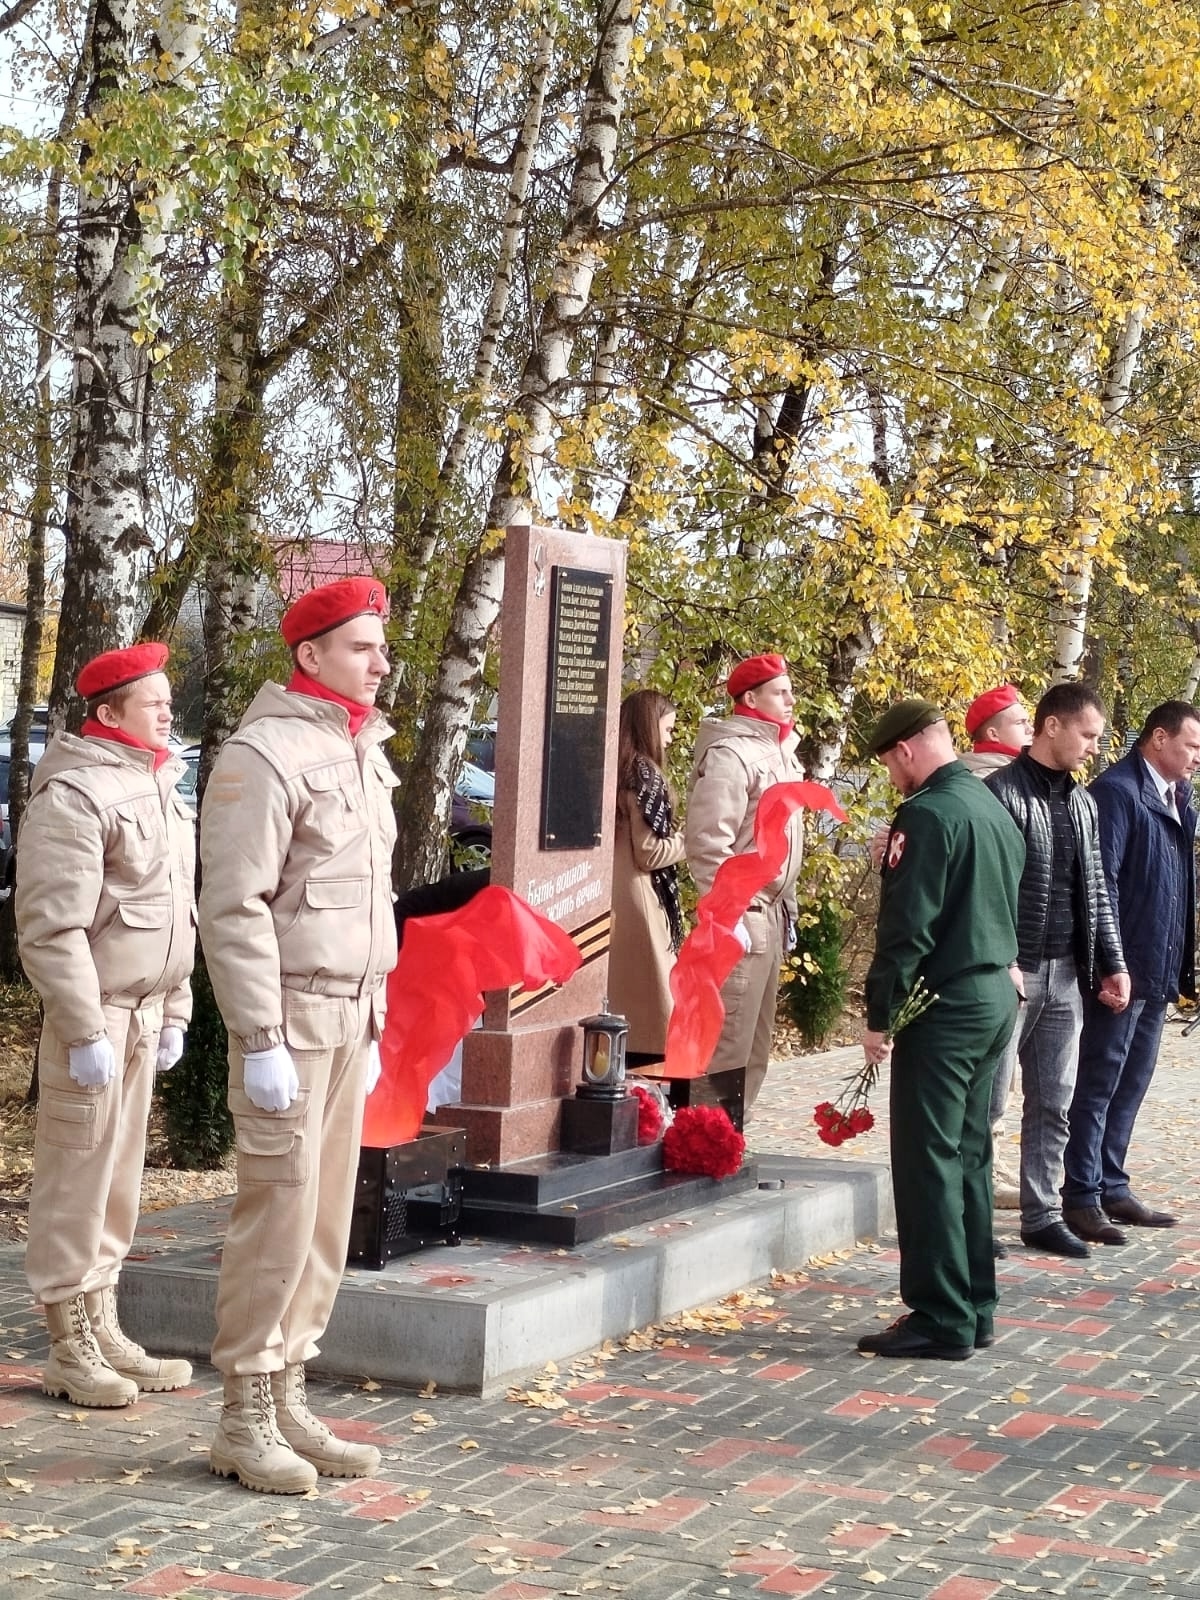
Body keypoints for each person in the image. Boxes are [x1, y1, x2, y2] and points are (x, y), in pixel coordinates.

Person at [198, 576, 398, 1495]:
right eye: (363, 647)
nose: (381, 661)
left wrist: (379, 1018)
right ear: (310, 655)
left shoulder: (363, 750)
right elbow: (234, 909)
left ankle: (288, 1391)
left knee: (323, 1222)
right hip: (290, 1015)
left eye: (381, 648)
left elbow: (370, 898)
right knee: (276, 1214)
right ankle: (242, 1411)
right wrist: (260, 1035)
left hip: (350, 1013)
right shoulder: (264, 755)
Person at [18, 644, 195, 1407]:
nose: (168, 714)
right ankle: (67, 1341)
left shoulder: (159, 786)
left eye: (167, 702)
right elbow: (52, 930)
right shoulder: (76, 794)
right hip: (97, 1020)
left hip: (146, 1014)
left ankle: (102, 1315)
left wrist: (179, 1007)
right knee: (76, 1181)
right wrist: (85, 1029)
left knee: (120, 1181)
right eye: (153, 704)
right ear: (107, 713)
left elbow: (177, 913)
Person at [855, 699, 1025, 1360]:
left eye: (889, 762)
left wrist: (880, 1014)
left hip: (944, 1001)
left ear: (905, 750)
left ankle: (939, 1315)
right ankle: (975, 1306)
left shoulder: (925, 815)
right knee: (970, 1156)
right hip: (993, 994)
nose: (892, 776)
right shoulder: (990, 805)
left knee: (927, 1160)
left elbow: (907, 928)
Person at [985, 684, 1129, 1259]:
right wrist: (1001, 962)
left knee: (1054, 1100)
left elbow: (1097, 891)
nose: (1095, 746)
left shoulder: (1084, 802)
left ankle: (1042, 1215)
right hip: (1010, 976)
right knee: (988, 1105)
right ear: (1051, 727)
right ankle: (971, 1218)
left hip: (1068, 974)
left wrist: (1113, 963)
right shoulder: (999, 794)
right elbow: (986, 893)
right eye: (1088, 734)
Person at [1061, 702, 1200, 1239]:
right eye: (1190, 746)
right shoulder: (1117, 793)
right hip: (1122, 972)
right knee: (1099, 1081)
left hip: (1156, 969)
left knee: (1133, 1081)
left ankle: (1112, 1185)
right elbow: (1102, 888)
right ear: (1159, 739)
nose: (1195, 759)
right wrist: (1111, 965)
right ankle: (1081, 1195)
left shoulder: (1178, 797)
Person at [685, 654, 804, 1112]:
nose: (791, 700)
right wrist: (728, 912)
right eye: (780, 691)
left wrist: (787, 906)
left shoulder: (778, 752)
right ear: (750, 698)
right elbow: (709, 842)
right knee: (726, 1044)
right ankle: (702, 1143)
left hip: (769, 914)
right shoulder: (731, 753)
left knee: (756, 1047)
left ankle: (729, 1140)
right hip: (743, 915)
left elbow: (783, 842)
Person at [962, 686, 1034, 1210]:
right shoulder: (982, 785)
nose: (1030, 730)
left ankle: (988, 1166)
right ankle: (975, 1182)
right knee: (989, 1080)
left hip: (1020, 947)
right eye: (1021, 722)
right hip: (996, 951)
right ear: (992, 733)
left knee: (1005, 1079)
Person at [609, 689, 686, 1066]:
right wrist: (688, 843)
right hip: (639, 900)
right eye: (667, 729)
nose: (669, 739)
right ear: (649, 727)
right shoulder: (646, 773)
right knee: (652, 1016)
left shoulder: (613, 766)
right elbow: (651, 851)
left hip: (612, 895)